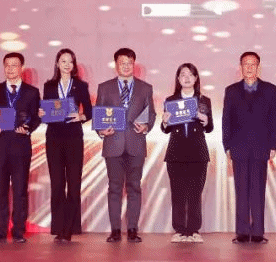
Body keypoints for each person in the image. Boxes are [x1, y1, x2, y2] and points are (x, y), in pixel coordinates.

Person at [95, 48, 156, 243]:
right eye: (122, 62)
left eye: (130, 62)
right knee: (114, 188)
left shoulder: (145, 88)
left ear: (134, 64)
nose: (126, 66)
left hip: (136, 143)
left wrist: (146, 126)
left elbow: (151, 113)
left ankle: (132, 229)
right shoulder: (104, 88)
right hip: (113, 144)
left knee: (134, 188)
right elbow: (98, 113)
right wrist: (101, 130)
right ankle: (115, 230)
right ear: (116, 65)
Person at [222, 51, 276, 244]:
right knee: (241, 191)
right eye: (245, 64)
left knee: (258, 191)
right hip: (238, 147)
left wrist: (273, 144)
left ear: (258, 67)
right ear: (240, 67)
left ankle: (257, 233)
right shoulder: (231, 90)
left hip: (261, 147)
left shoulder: (270, 90)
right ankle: (241, 232)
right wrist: (227, 145)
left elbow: (274, 119)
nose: (249, 67)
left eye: (252, 64)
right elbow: (226, 120)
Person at [0, 52, 41, 243]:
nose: (10, 69)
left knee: (20, 191)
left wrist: (28, 128)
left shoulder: (32, 92)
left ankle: (18, 231)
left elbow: (36, 117)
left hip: (20, 147)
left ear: (21, 68)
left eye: (14, 65)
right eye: (7, 65)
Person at [39, 48, 92, 243]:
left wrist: (81, 116)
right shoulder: (49, 86)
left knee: (74, 183)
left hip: (74, 138)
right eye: (63, 61)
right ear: (57, 64)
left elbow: (90, 110)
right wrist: (41, 114)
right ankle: (58, 227)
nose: (67, 64)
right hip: (53, 138)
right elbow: (46, 109)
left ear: (74, 64)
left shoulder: (81, 85)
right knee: (57, 184)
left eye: (70, 61)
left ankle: (70, 228)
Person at [160, 63, 214, 243]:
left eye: (190, 74)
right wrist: (165, 122)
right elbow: (165, 129)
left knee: (195, 193)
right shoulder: (170, 100)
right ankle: (179, 230)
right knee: (178, 193)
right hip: (176, 152)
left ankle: (193, 230)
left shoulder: (204, 100)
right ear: (178, 79)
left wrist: (206, 121)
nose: (187, 77)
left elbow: (210, 128)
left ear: (196, 78)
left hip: (198, 152)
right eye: (183, 74)